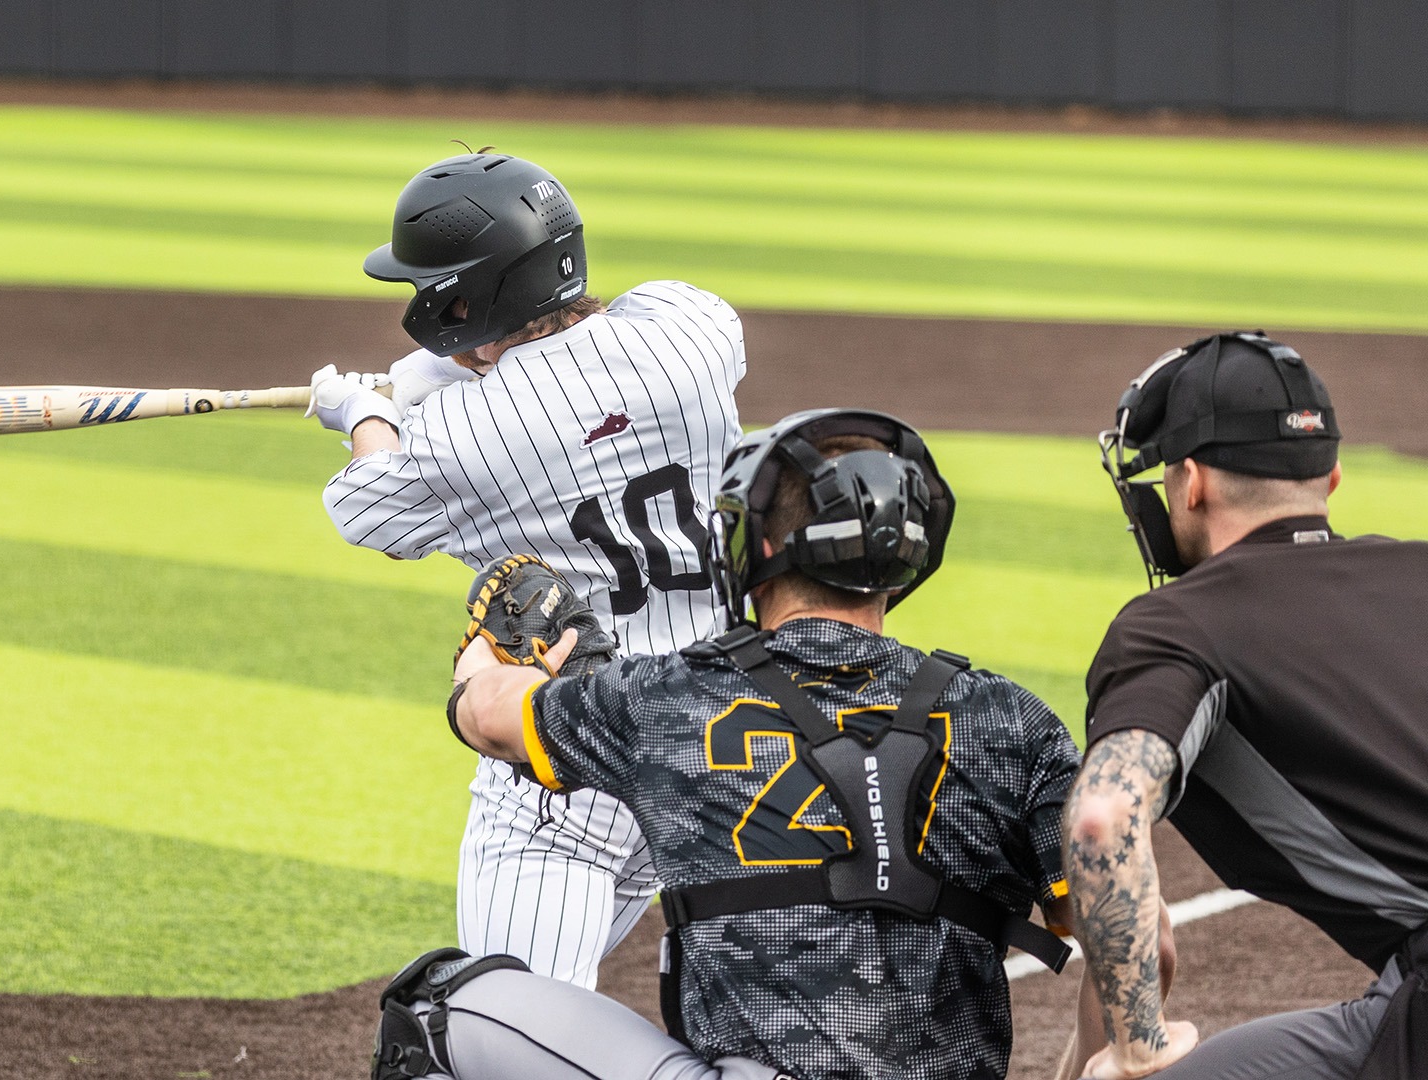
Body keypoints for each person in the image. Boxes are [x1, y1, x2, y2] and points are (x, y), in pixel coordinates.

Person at [369, 409, 1080, 1080]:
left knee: (433, 1004)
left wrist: (485, 660)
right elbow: (1115, 928)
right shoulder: (1013, 719)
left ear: (755, 545)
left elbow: (489, 717)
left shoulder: (667, 697)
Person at [310, 151, 745, 987]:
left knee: (509, 1030)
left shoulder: (463, 436)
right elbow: (606, 349)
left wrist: (363, 411)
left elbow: (365, 505)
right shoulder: (688, 329)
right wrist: (460, 370)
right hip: (712, 754)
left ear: (466, 298)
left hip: (562, 766)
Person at [1063, 331, 1428, 1080]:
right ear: (1330, 479)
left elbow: (1102, 820)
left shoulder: (1174, 626)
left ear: (1190, 484)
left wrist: (1135, 1048)